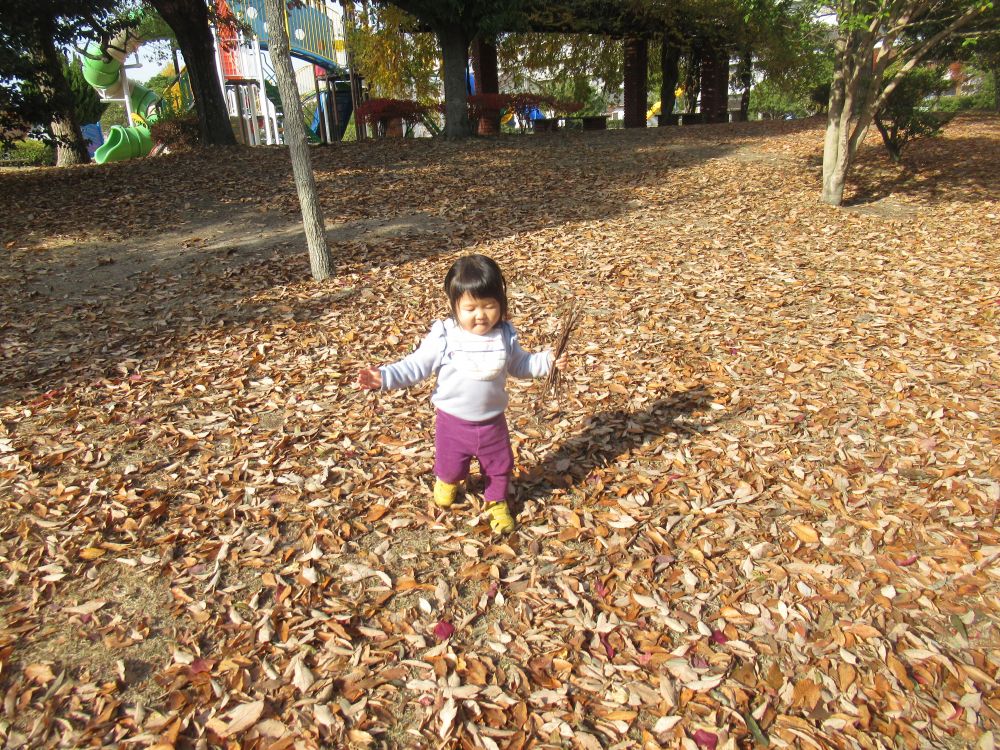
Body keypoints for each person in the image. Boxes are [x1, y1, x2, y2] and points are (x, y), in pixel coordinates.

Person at [358, 254, 568, 534]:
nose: (480, 315)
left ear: (501, 304)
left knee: (500, 466)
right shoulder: (445, 336)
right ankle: (446, 480)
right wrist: (384, 376)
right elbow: (416, 366)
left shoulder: (504, 335)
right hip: (452, 423)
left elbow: (520, 365)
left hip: (493, 423)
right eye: (470, 308)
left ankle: (496, 502)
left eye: (489, 306)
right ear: (454, 306)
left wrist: (547, 361)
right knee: (450, 466)